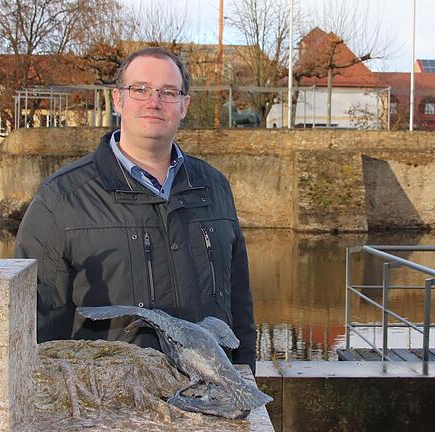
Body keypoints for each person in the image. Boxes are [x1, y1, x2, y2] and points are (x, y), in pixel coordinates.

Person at [15, 47, 256, 372]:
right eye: (140, 89)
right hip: (111, 409)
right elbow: (36, 324)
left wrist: (244, 380)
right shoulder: (61, 199)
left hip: (209, 404)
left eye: (168, 92)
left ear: (184, 105)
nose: (153, 102)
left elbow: (240, 309)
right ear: (118, 100)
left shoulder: (214, 187)